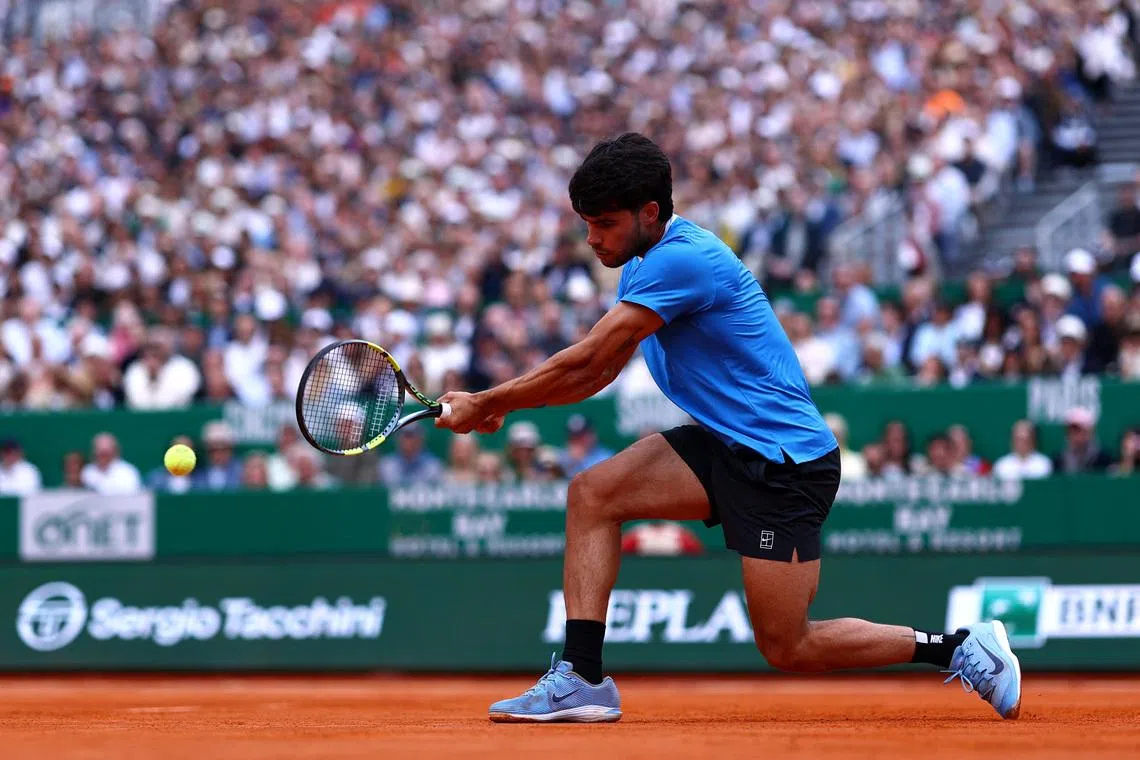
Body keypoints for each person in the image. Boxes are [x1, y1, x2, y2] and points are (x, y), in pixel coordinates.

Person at [435, 133, 1021, 723]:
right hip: (725, 441)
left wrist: (489, 401)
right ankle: (582, 676)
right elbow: (601, 371)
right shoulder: (638, 260)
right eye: (587, 223)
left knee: (788, 646)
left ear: (650, 213)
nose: (592, 239)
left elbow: (589, 359)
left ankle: (961, 648)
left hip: (784, 464)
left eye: (604, 224)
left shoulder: (683, 260)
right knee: (593, 495)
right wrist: (500, 405)